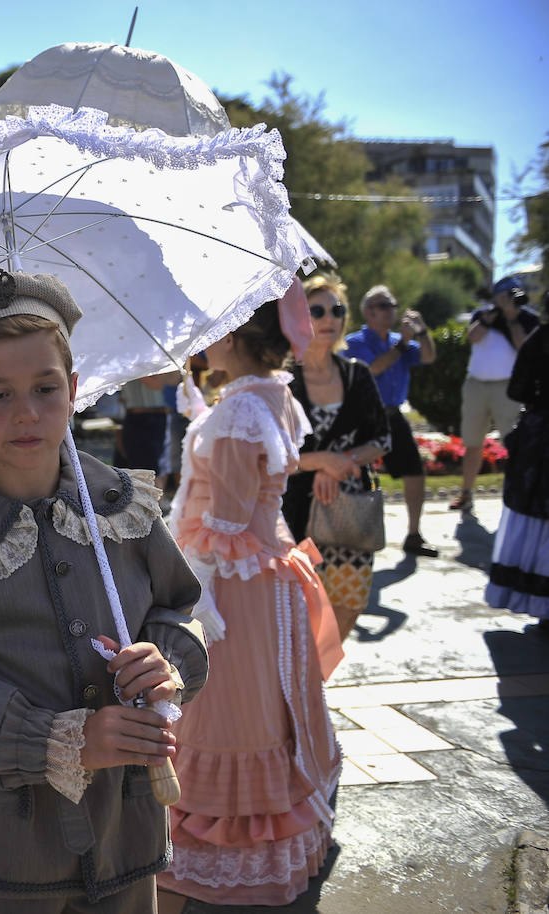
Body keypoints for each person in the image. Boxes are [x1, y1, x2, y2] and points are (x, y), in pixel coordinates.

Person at [0, 269, 208, 913]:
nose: (27, 414)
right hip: (11, 848)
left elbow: (178, 609)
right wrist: (64, 741)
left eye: (45, 389)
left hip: (126, 832)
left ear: (73, 391)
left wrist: (166, 661)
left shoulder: (123, 506)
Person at [159, 299, 343, 908]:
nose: (204, 340)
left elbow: (229, 519)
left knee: (225, 709)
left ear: (234, 333)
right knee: (261, 704)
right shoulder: (265, 394)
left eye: (213, 329)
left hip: (232, 584)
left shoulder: (240, 408)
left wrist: (183, 579)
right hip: (263, 575)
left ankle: (231, 845)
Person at [283, 277, 391, 640]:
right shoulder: (283, 382)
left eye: (337, 310)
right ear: (300, 316)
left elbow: (381, 438)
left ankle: (320, 685)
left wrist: (340, 462)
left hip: (350, 511)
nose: (329, 318)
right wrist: (319, 462)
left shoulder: (356, 373)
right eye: (317, 310)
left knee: (348, 602)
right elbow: (269, 453)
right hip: (294, 514)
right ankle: (304, 689)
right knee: (298, 607)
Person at [343, 285, 438, 557]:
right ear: (368, 312)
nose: (391, 311)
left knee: (415, 473)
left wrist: (421, 331)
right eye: (385, 306)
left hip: (393, 415)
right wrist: (403, 343)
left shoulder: (401, 340)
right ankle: (351, 535)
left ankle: (413, 534)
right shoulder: (356, 342)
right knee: (355, 475)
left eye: (393, 305)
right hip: (361, 417)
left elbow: (429, 356)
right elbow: (373, 369)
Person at [486, 301, 549, 633]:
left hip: (539, 437)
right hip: (540, 444)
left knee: (537, 519)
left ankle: (542, 606)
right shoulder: (539, 340)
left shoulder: (538, 339)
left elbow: (517, 389)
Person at [452, 276, 537, 512]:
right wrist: (491, 317)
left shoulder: (526, 318)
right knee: (472, 443)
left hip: (508, 388)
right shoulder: (484, 314)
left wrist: (511, 317)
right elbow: (472, 337)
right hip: (476, 385)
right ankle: (466, 493)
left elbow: (525, 347)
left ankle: (519, 493)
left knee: (514, 444)